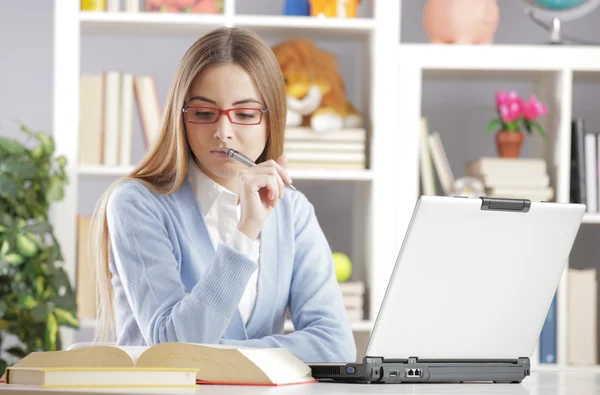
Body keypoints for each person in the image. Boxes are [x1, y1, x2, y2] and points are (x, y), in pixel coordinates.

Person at [90, 27, 356, 364]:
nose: (223, 133)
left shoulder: (294, 212)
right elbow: (171, 347)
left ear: (270, 120)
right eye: (204, 114)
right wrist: (246, 231)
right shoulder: (137, 203)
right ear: (181, 118)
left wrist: (218, 353)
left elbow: (335, 346)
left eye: (244, 115)